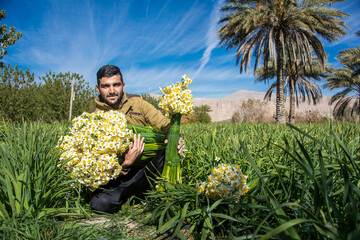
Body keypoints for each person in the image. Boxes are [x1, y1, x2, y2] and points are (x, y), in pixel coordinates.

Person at [90, 64, 182, 213]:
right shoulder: (93, 120)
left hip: (147, 169)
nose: (112, 91)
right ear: (98, 88)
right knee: (100, 204)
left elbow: (166, 125)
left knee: (168, 150)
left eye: (116, 85)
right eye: (106, 86)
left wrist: (175, 138)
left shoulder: (138, 104)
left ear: (123, 86)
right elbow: (98, 168)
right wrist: (126, 164)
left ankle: (159, 194)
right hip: (120, 176)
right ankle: (129, 195)